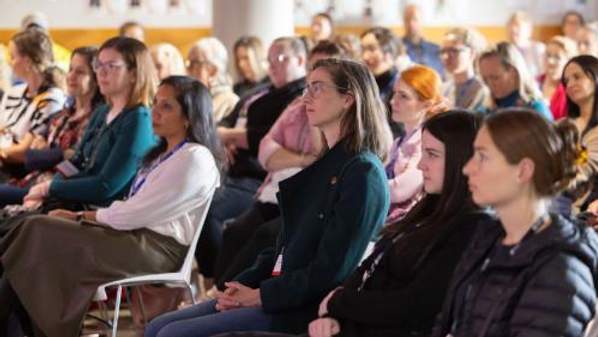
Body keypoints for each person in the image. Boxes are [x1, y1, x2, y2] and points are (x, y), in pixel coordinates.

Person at [145, 58, 392, 337]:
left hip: (306, 309)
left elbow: (330, 271)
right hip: (279, 292)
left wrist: (260, 295)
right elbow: (283, 248)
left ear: (348, 99)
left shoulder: (362, 172)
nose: (305, 97)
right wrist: (240, 286)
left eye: (318, 88)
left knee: (172, 334)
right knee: (157, 326)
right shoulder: (327, 163)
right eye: (307, 87)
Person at [211, 111, 488, 337]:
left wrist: (337, 304)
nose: (420, 165)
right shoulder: (426, 210)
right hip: (341, 322)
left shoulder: (467, 226)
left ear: (461, 158)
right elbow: (369, 268)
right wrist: (333, 314)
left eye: (432, 155)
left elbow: (413, 305)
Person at [0, 75, 223, 337]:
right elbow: (132, 209)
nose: (155, 112)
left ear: (189, 116)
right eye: (155, 104)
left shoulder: (195, 157)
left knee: (37, 230)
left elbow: (135, 213)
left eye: (167, 106)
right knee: (33, 232)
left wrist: (79, 216)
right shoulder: (161, 154)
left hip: (154, 249)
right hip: (131, 237)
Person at [432, 108, 598, 337]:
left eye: (482, 156)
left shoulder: (559, 270)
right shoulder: (488, 237)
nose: (467, 168)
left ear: (523, 170)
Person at [20, 36, 156, 210]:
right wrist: (46, 189)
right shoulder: (102, 112)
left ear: (134, 73)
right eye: (99, 65)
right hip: (76, 202)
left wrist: (50, 189)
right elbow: (75, 163)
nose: (101, 72)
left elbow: (106, 186)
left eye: (111, 66)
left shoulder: (139, 119)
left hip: (105, 216)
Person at [0, 46, 103, 207]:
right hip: (32, 178)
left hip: (55, 189)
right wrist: (57, 154)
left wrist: (52, 154)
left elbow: (77, 163)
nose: (71, 76)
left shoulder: (96, 119)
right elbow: (34, 156)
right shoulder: (63, 115)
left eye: (80, 72)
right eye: (70, 70)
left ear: (96, 79)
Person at [385, 65, 446, 223]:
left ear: (427, 104)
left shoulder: (427, 144)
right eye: (395, 94)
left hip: (408, 227)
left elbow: (400, 190)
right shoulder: (400, 141)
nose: (393, 101)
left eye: (403, 96)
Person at [0, 28, 66, 173]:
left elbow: (25, 152)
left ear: (28, 61)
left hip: (18, 170)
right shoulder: (13, 92)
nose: (9, 62)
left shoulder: (51, 99)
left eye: (12, 57)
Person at [478, 42, 551, 119]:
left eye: (495, 78)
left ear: (514, 72)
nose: (490, 84)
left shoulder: (535, 109)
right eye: (485, 79)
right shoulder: (485, 110)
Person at [360, 26, 402, 137]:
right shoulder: (366, 85)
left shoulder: (401, 88)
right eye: (363, 50)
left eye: (372, 49)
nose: (365, 56)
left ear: (389, 52)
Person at [188, 37, 239, 122]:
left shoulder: (230, 103)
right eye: (189, 64)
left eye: (195, 63)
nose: (188, 70)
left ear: (213, 71)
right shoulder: (191, 98)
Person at [440, 27, 490, 112]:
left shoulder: (484, 91)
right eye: (443, 51)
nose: (446, 56)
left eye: (454, 51)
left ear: (472, 54)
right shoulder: (441, 90)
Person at [538, 36, 578, 120]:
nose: (550, 61)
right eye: (548, 55)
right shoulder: (534, 82)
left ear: (569, 62)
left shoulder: (571, 90)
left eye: (557, 57)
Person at [401, 4, 443, 76]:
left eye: (415, 19)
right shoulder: (397, 48)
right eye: (407, 19)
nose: (411, 23)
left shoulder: (436, 50)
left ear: (422, 20)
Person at [506, 11, 545, 78]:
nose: (513, 29)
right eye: (510, 25)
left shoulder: (538, 48)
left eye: (517, 25)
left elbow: (543, 74)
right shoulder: (505, 49)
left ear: (528, 29)